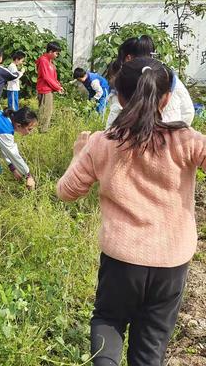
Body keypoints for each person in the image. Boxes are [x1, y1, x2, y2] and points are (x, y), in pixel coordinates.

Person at [57, 57, 206, 366]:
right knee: (151, 343)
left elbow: (67, 191)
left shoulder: (103, 142)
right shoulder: (187, 141)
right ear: (166, 97)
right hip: (171, 261)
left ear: (119, 96)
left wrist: (78, 154)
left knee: (108, 320)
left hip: (121, 260)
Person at [105, 35, 194, 128]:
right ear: (167, 97)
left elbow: (113, 122)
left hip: (130, 140)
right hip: (168, 136)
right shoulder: (168, 77)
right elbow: (188, 111)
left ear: (128, 58)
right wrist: (177, 135)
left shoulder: (125, 80)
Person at [36, 42, 63, 132]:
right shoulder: (43, 60)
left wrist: (58, 86)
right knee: (45, 111)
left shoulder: (50, 62)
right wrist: (57, 88)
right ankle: (42, 131)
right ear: (50, 51)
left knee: (47, 111)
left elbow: (53, 78)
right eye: (56, 53)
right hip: (44, 90)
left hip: (48, 90)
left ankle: (43, 129)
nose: (57, 55)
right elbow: (46, 77)